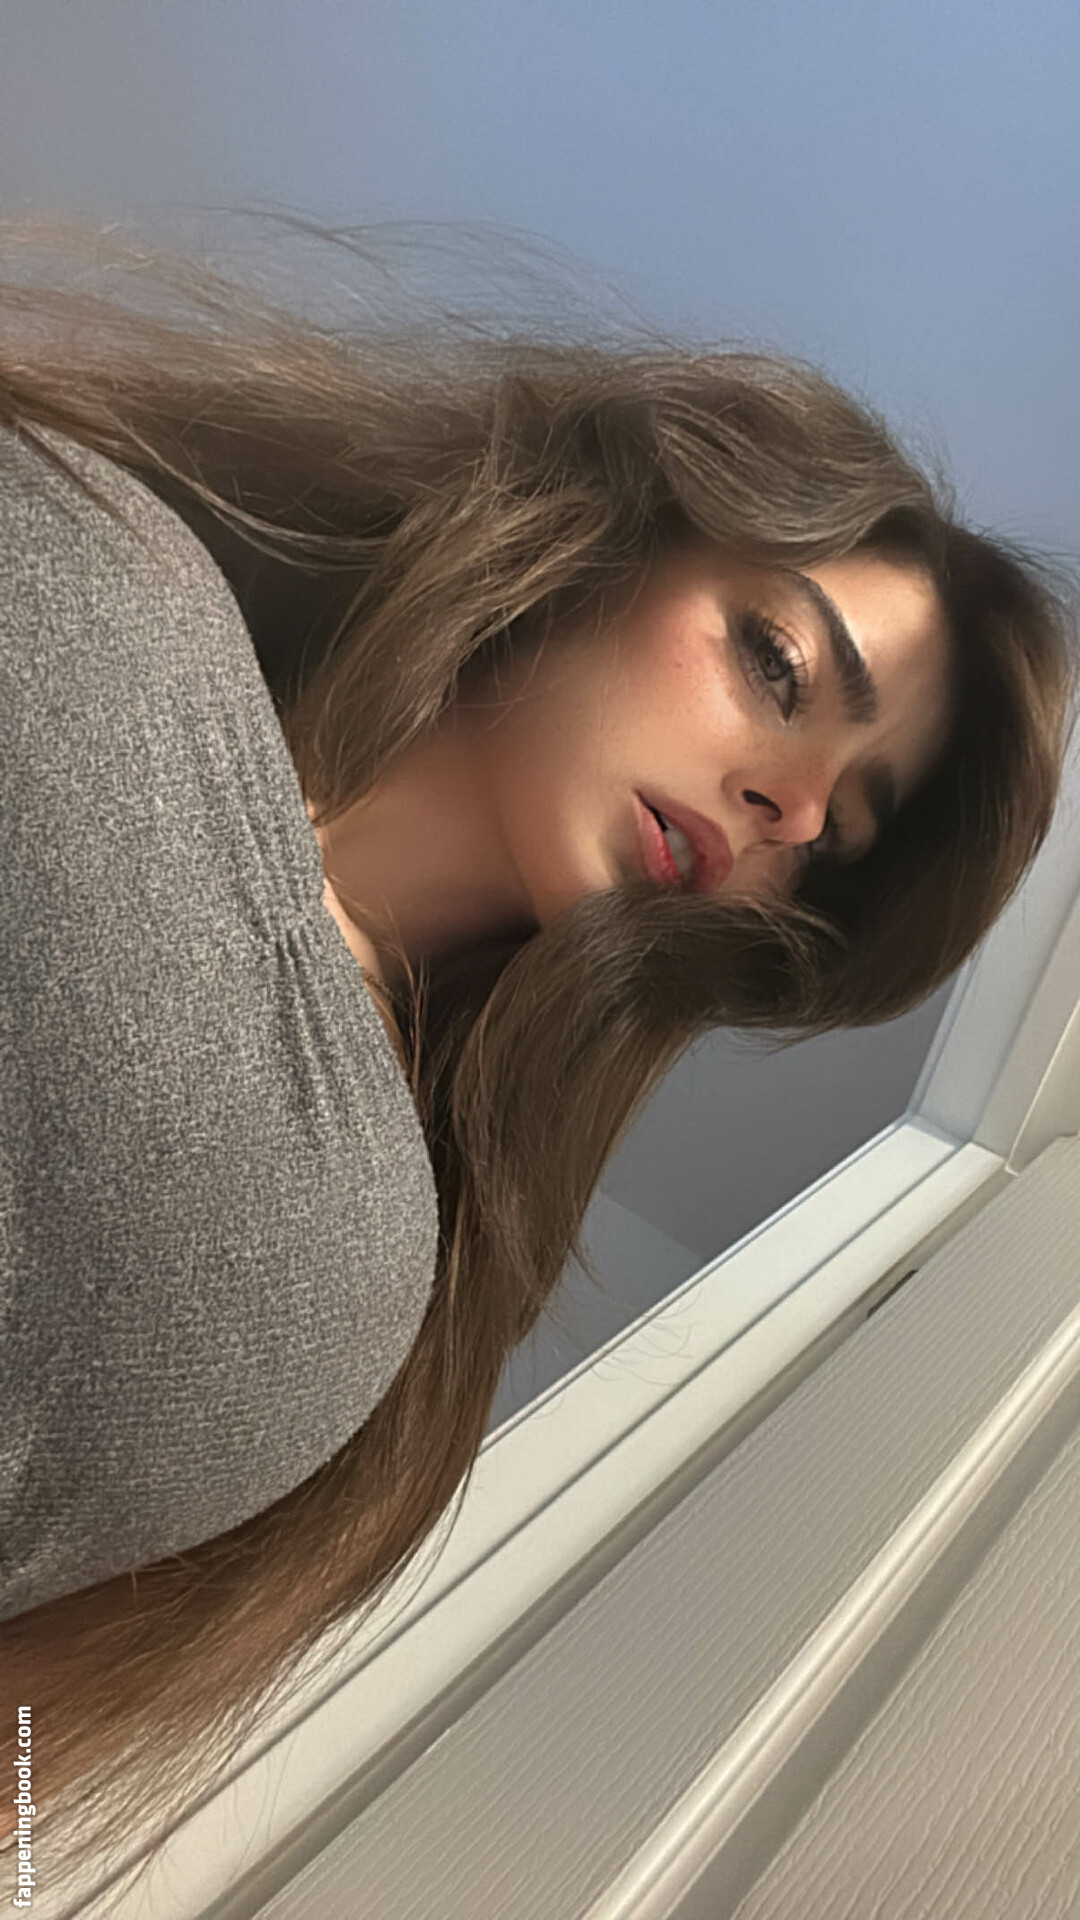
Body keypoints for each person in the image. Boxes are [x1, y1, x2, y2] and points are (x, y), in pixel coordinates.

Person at [0, 214, 1075, 1895]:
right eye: (777, 662)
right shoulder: (92, 566)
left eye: (838, 832)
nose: (789, 808)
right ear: (615, 534)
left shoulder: (378, 1290)